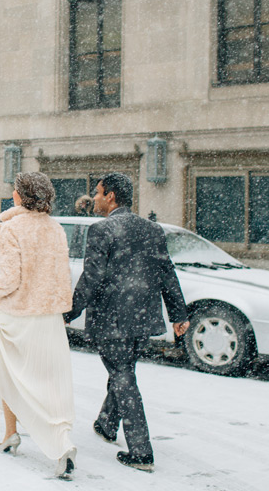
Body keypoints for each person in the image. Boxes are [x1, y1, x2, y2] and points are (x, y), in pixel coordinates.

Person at [64, 173, 189, 473]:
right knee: (124, 370)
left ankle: (141, 451)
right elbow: (167, 274)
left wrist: (67, 314)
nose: (93, 198)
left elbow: (91, 279)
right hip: (143, 318)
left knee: (122, 376)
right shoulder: (152, 229)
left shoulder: (101, 231)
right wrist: (178, 314)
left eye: (97, 192)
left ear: (110, 196)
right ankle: (107, 424)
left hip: (112, 319)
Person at [0, 172, 77, 479]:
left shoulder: (10, 228)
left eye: (14, 190)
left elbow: (10, 280)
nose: (12, 194)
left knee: (9, 373)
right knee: (51, 382)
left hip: (19, 316)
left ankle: (10, 433)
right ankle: (62, 442)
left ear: (20, 196)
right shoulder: (56, 228)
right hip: (49, 317)